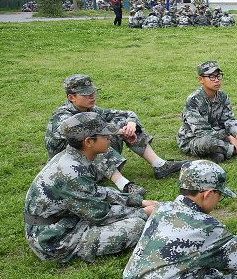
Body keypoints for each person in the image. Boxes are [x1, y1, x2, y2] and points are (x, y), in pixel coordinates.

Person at [25, 113, 158, 263]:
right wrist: (143, 212)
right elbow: (100, 214)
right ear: (88, 142)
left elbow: (96, 192)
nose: (110, 137)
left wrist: (137, 201)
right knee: (136, 226)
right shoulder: (72, 172)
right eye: (105, 135)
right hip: (54, 239)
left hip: (64, 221)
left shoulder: (72, 157)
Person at [46, 74, 184, 196]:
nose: (92, 96)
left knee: (122, 122)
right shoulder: (62, 116)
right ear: (71, 97)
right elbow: (84, 132)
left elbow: (127, 114)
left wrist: (130, 124)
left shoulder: (90, 110)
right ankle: (124, 185)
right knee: (93, 141)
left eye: (93, 92)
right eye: (86, 94)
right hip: (72, 169)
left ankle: (159, 165)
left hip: (91, 164)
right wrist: (117, 130)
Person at [177, 61, 237, 162]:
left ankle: (220, 152)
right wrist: (227, 137)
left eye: (218, 76)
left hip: (218, 132)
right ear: (201, 79)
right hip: (194, 138)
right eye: (211, 77)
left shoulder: (222, 96)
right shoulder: (193, 100)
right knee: (208, 143)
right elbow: (201, 131)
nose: (216, 80)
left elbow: (228, 119)